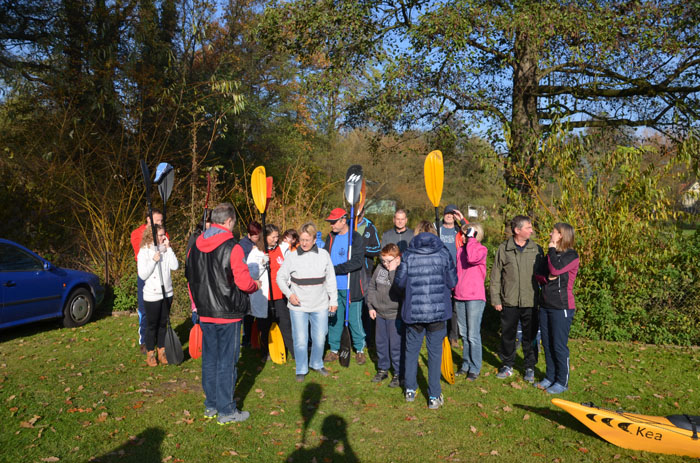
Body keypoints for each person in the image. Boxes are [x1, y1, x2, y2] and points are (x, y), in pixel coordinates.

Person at [185, 203, 261, 424]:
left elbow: (190, 277)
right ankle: (226, 410)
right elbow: (243, 282)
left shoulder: (195, 245)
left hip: (205, 311)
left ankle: (211, 404)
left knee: (210, 359)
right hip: (228, 312)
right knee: (227, 361)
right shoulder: (233, 247)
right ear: (228, 222)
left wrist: (196, 305)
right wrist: (255, 284)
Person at [395, 220, 457, 409]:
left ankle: (410, 390)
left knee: (412, 351)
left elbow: (399, 282)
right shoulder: (444, 253)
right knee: (435, 353)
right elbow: (453, 281)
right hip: (437, 312)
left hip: (414, 311)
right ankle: (434, 396)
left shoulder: (408, 255)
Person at [277, 222, 338, 382]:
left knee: (319, 337)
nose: (304, 243)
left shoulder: (324, 255)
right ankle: (301, 368)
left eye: (307, 239)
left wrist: (334, 300)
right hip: (299, 306)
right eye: (302, 240)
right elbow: (280, 277)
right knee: (301, 339)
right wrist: (289, 294)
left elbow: (330, 279)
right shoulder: (292, 256)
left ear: (314, 239)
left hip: (320, 304)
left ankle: (316, 363)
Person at [489, 215, 545, 383]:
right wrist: (495, 299)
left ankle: (530, 366)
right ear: (517, 230)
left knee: (531, 336)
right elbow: (496, 276)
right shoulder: (503, 249)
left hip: (531, 300)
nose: (532, 230)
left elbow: (543, 276)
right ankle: (507, 365)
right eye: (528, 228)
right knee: (507, 335)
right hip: (509, 300)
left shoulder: (537, 249)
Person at [535, 223, 579, 394]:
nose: (550, 234)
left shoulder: (571, 255)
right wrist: (547, 278)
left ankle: (562, 381)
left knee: (558, 345)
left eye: (553, 232)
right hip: (545, 305)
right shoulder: (552, 254)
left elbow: (555, 268)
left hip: (562, 307)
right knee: (546, 343)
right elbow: (539, 274)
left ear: (561, 235)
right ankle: (550, 377)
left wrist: (551, 252)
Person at [323, 208, 367, 365]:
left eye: (333, 222)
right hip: (333, 288)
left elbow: (357, 262)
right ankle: (334, 349)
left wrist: (335, 269)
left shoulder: (355, 238)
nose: (331, 225)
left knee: (354, 320)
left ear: (343, 221)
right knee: (334, 319)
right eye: (330, 222)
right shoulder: (330, 237)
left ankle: (360, 349)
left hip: (351, 286)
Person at [137, 224, 178, 367]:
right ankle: (150, 353)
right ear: (152, 236)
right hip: (152, 295)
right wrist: (153, 261)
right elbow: (142, 274)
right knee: (152, 325)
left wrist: (169, 248)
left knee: (163, 324)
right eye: (161, 235)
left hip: (167, 293)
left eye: (164, 235)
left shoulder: (165, 250)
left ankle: (162, 352)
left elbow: (175, 266)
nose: (163, 237)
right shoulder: (144, 252)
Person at [453, 223, 487, 381]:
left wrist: (471, 239)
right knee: (464, 335)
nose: (465, 236)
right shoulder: (460, 251)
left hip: (474, 297)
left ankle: (475, 367)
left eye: (468, 233)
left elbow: (472, 259)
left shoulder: (480, 250)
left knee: (473, 335)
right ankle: (465, 364)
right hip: (460, 296)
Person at [366, 243, 403, 387]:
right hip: (379, 313)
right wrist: (370, 306)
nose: (386, 264)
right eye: (384, 261)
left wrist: (393, 270)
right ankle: (383, 369)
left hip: (395, 314)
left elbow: (399, 289)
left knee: (395, 345)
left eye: (389, 261)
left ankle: (398, 373)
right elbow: (372, 287)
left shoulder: (400, 270)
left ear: (398, 259)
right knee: (381, 343)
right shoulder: (380, 268)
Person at [130, 208, 163, 355]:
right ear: (149, 220)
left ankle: (158, 339)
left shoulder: (163, 233)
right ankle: (144, 340)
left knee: (161, 310)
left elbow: (167, 254)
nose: (160, 223)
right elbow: (141, 256)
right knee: (144, 309)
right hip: (145, 277)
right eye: (157, 221)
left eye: (161, 221)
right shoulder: (137, 234)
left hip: (160, 277)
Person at [440, 204, 461, 347]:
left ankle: (454, 335)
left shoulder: (459, 231)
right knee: (442, 303)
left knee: (455, 306)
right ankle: (441, 333)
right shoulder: (437, 229)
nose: (449, 216)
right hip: (440, 272)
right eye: (447, 213)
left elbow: (473, 234)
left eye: (452, 214)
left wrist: (462, 219)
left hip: (457, 272)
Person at [241, 221, 262, 347]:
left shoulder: (259, 242)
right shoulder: (243, 245)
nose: (257, 238)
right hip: (249, 283)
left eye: (258, 235)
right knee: (248, 314)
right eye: (255, 236)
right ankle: (246, 338)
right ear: (249, 235)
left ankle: (258, 337)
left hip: (260, 283)